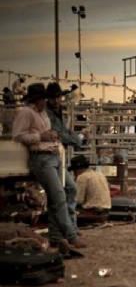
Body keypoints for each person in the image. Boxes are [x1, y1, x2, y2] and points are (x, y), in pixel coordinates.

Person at [12, 83, 85, 248]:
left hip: (52, 156)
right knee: (59, 195)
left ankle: (57, 236)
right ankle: (70, 235)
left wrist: (50, 136)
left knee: (58, 195)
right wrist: (41, 136)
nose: (46, 101)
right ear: (38, 99)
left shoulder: (41, 113)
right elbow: (18, 136)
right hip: (42, 158)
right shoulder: (27, 113)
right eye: (44, 98)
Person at [46, 82, 82, 233]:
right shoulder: (47, 113)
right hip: (50, 155)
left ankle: (69, 226)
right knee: (64, 191)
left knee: (67, 189)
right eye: (53, 97)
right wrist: (76, 140)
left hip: (54, 155)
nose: (56, 100)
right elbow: (58, 133)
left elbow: (62, 131)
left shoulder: (56, 110)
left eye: (57, 97)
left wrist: (73, 138)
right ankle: (67, 228)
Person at [69, 154, 111, 223]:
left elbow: (79, 200)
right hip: (105, 212)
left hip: (92, 211)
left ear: (77, 169)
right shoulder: (100, 174)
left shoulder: (82, 177)